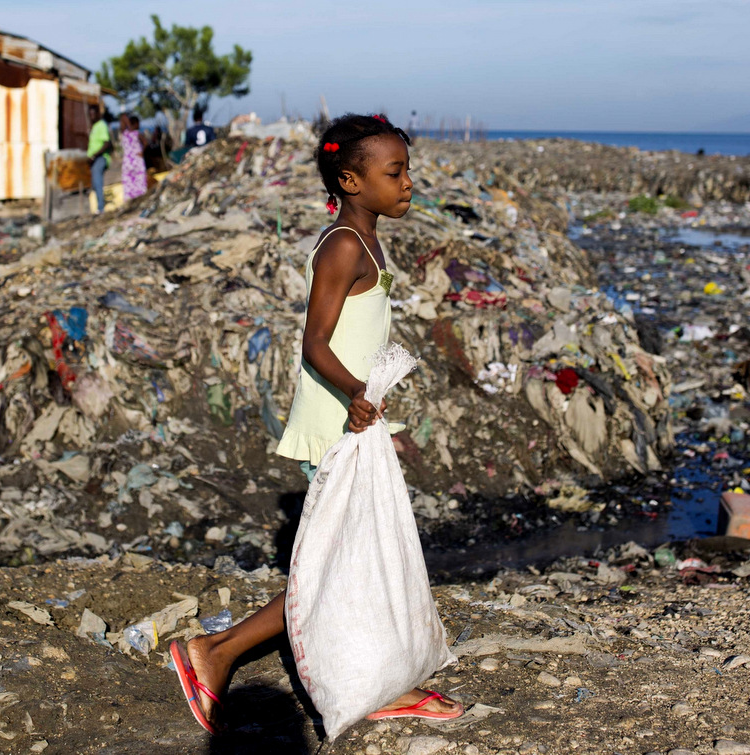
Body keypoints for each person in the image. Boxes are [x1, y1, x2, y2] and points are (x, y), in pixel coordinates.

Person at [168, 113, 463, 733]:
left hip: (356, 413)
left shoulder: (369, 240)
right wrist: (358, 393)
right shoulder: (344, 246)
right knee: (334, 566)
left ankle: (376, 678)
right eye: (396, 172)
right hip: (337, 418)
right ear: (351, 181)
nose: (409, 183)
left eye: (406, 169)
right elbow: (314, 344)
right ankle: (214, 652)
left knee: (358, 555)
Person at [85, 103, 113, 212]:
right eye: (90, 115)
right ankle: (98, 206)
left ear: (97, 114)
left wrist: (94, 156)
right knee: (94, 183)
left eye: (93, 114)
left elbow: (106, 143)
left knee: (98, 182)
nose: (91, 116)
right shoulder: (95, 126)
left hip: (100, 158)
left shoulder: (101, 125)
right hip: (94, 160)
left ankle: (101, 208)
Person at [119, 112, 148, 201]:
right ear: (135, 124)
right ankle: (139, 198)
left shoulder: (125, 133)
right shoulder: (136, 133)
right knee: (139, 181)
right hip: (136, 161)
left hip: (128, 161)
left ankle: (132, 199)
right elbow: (146, 143)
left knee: (130, 182)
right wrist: (142, 152)